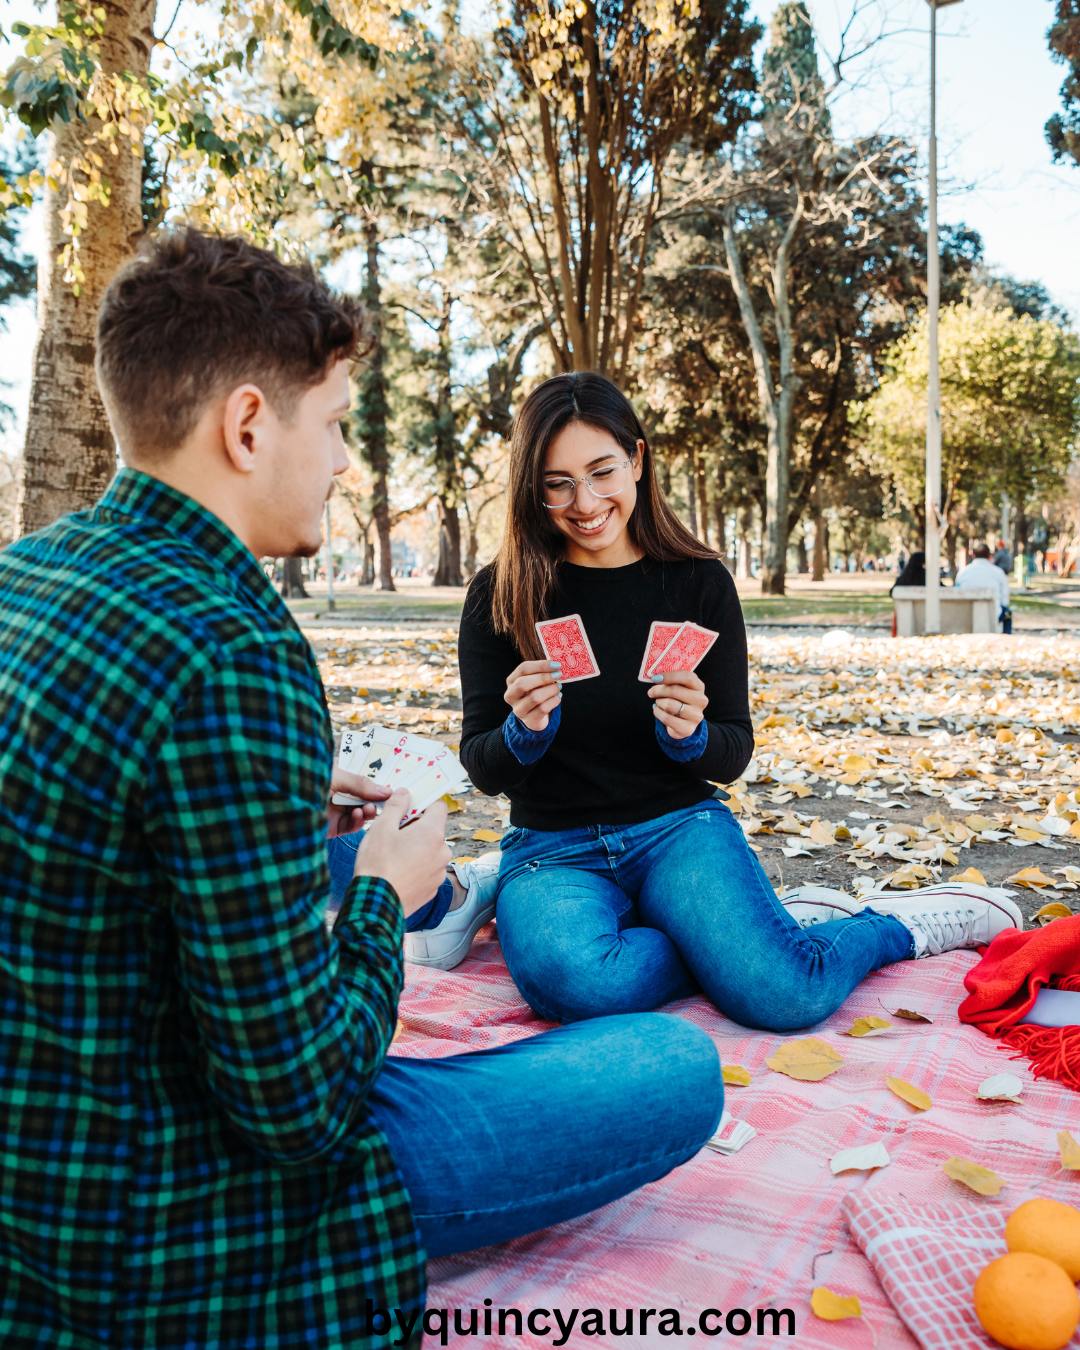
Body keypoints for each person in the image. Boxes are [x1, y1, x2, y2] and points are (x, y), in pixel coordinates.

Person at [0, 231, 725, 1348]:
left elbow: (98, 827)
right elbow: (302, 1106)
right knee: (673, 1067)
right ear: (248, 426)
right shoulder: (230, 648)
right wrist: (386, 895)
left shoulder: (26, 574)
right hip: (169, 1210)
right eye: (334, 423)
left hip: (38, 1147)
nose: (346, 461)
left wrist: (291, 797)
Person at [418, 372, 1023, 1027]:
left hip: (678, 828)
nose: (584, 501)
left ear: (639, 460)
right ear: (531, 489)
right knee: (574, 985)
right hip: (551, 849)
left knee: (790, 995)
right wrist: (523, 732)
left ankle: (892, 927)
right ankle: (744, 937)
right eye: (556, 483)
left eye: (601, 472)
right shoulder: (500, 593)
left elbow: (731, 753)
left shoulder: (697, 582)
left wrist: (691, 736)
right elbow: (482, 765)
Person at [957, 541, 1012, 633]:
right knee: (1008, 613)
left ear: (973, 555)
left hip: (966, 614)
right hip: (994, 614)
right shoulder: (998, 572)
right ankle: (1006, 638)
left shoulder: (962, 573)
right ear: (989, 556)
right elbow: (1005, 599)